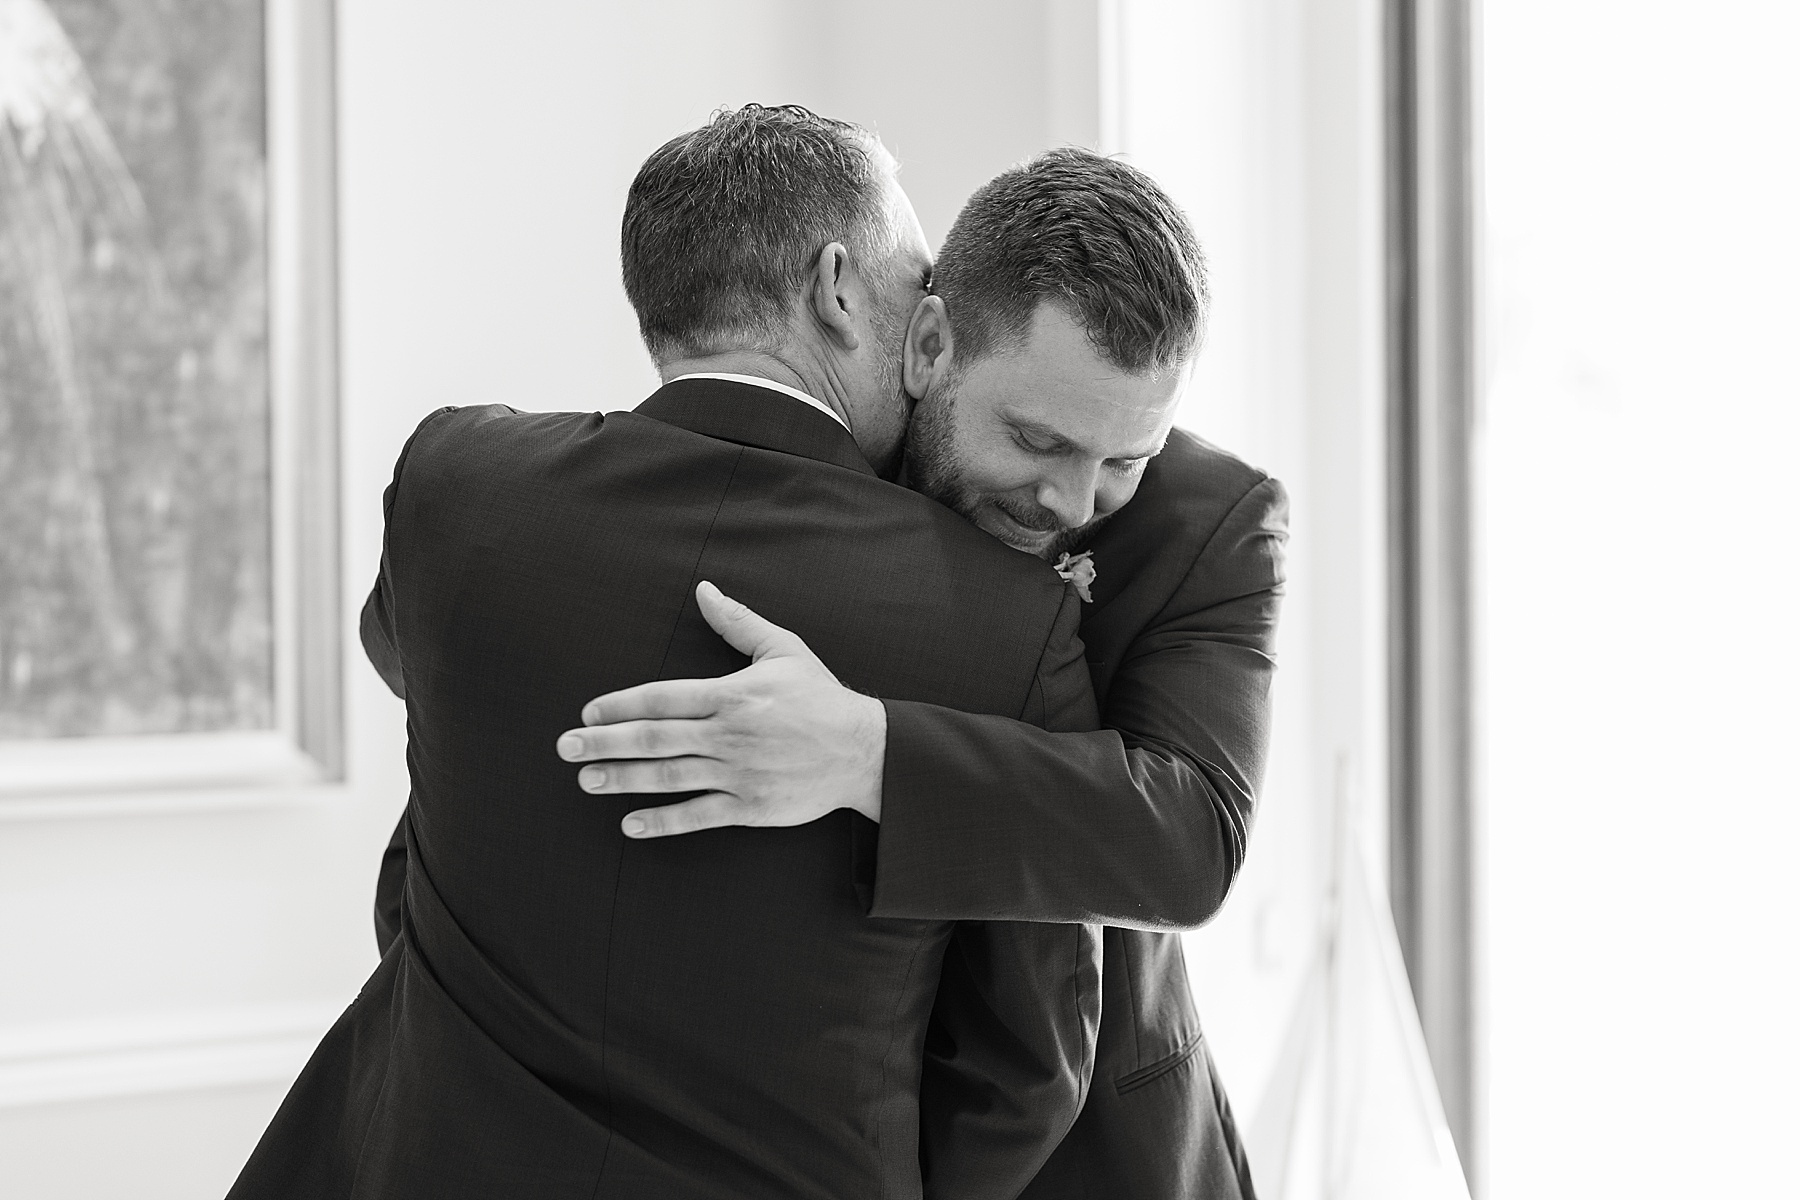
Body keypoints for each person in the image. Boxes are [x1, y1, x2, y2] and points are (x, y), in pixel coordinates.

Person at [230, 105, 1117, 1200]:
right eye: (916, 279)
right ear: (839, 287)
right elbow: (1026, 1068)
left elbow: (437, 742)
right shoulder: (1003, 622)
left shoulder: (455, 487)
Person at [556, 150, 1290, 1198]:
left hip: (1106, 1153)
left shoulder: (1217, 523)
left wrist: (870, 756)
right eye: (1037, 439)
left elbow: (1189, 838)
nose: (1074, 502)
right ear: (931, 344)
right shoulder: (826, 452)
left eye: (1126, 460)